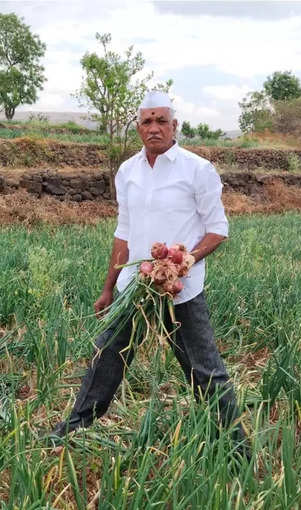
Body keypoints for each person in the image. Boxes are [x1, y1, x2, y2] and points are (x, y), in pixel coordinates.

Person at [49, 91, 249, 456]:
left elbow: (218, 228)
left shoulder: (198, 169)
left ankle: (236, 449)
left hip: (179, 289)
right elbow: (123, 233)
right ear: (138, 127)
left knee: (205, 370)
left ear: (175, 126)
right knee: (105, 356)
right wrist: (108, 288)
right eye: (146, 121)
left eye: (161, 121)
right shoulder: (127, 171)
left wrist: (184, 261)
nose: (154, 128)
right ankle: (72, 431)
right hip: (133, 287)